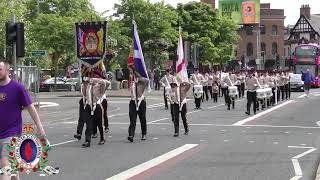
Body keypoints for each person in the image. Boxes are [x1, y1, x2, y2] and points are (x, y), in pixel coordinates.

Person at [0, 59, 46, 180]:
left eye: (0, 69)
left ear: (7, 70)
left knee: (5, 166)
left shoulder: (17, 88)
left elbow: (30, 108)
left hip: (12, 134)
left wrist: (40, 127)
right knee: (12, 171)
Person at [128, 74, 149, 142]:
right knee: (132, 119)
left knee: (142, 118)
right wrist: (133, 79)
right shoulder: (133, 83)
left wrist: (139, 78)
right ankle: (131, 134)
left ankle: (144, 133)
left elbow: (147, 80)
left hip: (141, 101)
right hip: (133, 101)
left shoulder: (142, 83)